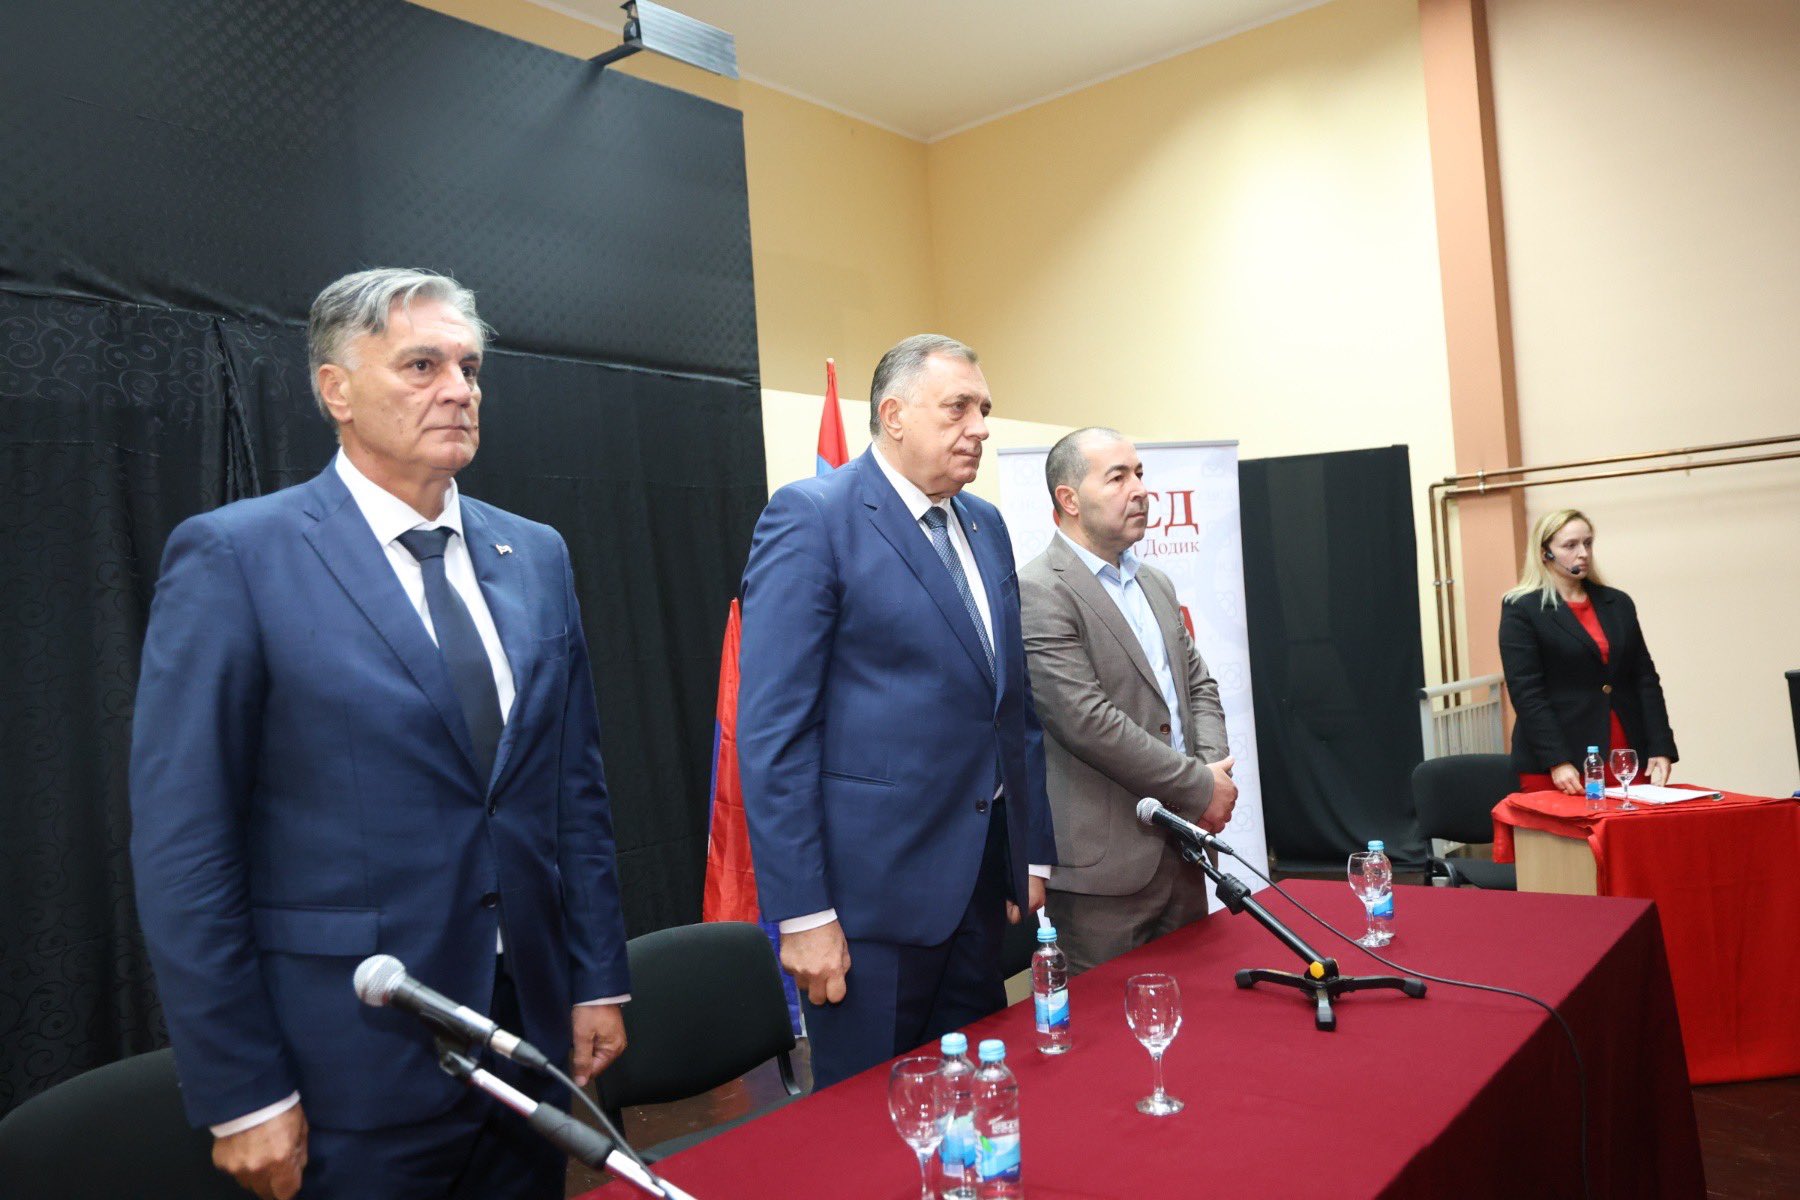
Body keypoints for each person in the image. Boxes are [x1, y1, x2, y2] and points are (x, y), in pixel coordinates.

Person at [130, 268, 631, 1200]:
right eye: (422, 365)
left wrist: (596, 976)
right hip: (349, 1057)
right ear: (337, 390)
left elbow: (573, 791)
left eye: (470, 368)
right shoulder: (238, 557)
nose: (459, 390)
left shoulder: (536, 554)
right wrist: (241, 1088)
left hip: (524, 1038)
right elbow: (184, 846)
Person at [736, 334, 1057, 1090]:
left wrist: (1030, 853)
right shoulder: (813, 517)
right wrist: (803, 913)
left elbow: (1013, 704)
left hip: (979, 891)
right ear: (894, 415)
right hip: (867, 909)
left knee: (970, 1099)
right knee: (872, 1122)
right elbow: (775, 734)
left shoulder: (985, 523)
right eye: (958, 408)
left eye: (984, 409)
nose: (980, 427)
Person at [1018, 429, 1236, 974]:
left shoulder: (1155, 583)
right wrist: (1200, 786)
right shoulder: (1038, 590)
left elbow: (1198, 687)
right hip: (1104, 877)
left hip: (1184, 850)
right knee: (1108, 1023)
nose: (1139, 489)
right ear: (1069, 499)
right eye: (1117, 477)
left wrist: (1210, 774)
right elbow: (1086, 721)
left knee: (1198, 1011)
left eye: (1139, 474)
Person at [1498, 507, 1677, 794]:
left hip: (1624, 749)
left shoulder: (1618, 603)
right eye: (1570, 545)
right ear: (1545, 553)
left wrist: (1660, 744)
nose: (1583, 553)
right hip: (1560, 756)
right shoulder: (1522, 608)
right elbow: (1527, 692)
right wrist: (1557, 759)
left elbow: (1645, 678)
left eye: (1588, 543)